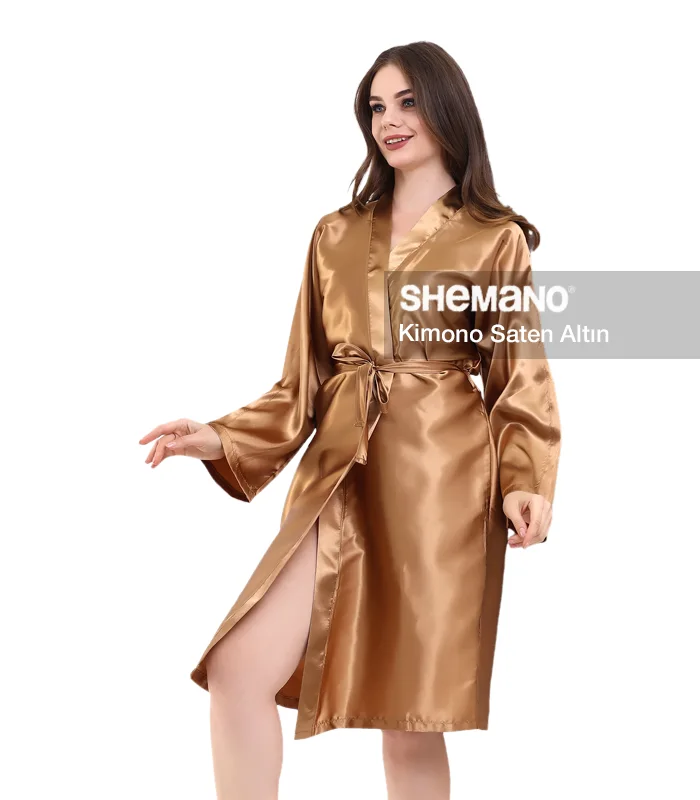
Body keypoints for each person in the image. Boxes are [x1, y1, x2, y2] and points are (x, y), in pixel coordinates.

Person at [139, 41, 562, 800]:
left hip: (442, 484)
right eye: (376, 106)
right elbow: (304, 380)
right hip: (339, 472)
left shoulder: (492, 237)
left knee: (410, 720)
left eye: (407, 102)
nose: (389, 120)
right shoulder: (334, 234)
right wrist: (219, 436)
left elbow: (519, 376)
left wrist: (525, 481)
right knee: (238, 669)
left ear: (446, 107)